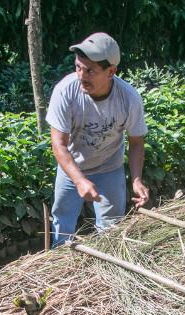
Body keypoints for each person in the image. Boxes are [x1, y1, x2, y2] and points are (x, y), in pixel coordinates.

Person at [46, 32, 150, 246]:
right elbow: (58, 144)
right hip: (72, 168)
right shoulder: (65, 92)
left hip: (109, 168)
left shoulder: (128, 99)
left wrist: (137, 179)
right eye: (78, 67)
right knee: (62, 226)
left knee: (111, 232)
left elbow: (137, 142)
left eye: (90, 71)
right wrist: (78, 179)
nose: (81, 75)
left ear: (111, 71)